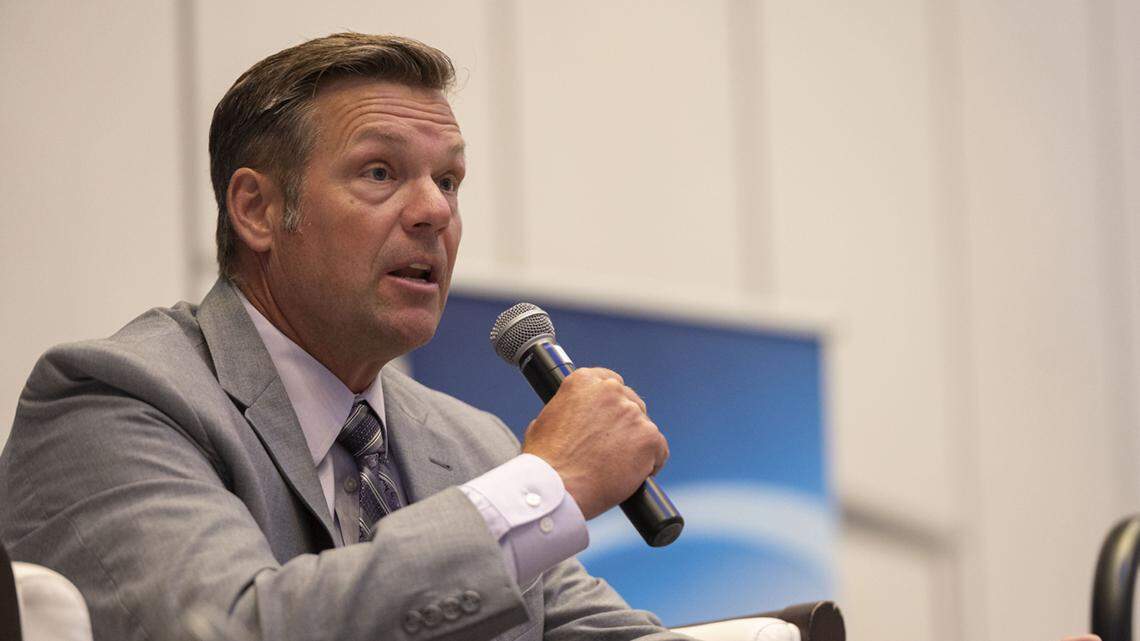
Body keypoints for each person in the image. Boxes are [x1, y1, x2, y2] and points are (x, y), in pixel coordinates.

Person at [0, 33, 683, 641]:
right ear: (257, 210)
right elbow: (224, 628)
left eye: (449, 180)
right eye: (380, 172)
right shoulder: (113, 400)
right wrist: (549, 484)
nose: (434, 211)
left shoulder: (471, 444)